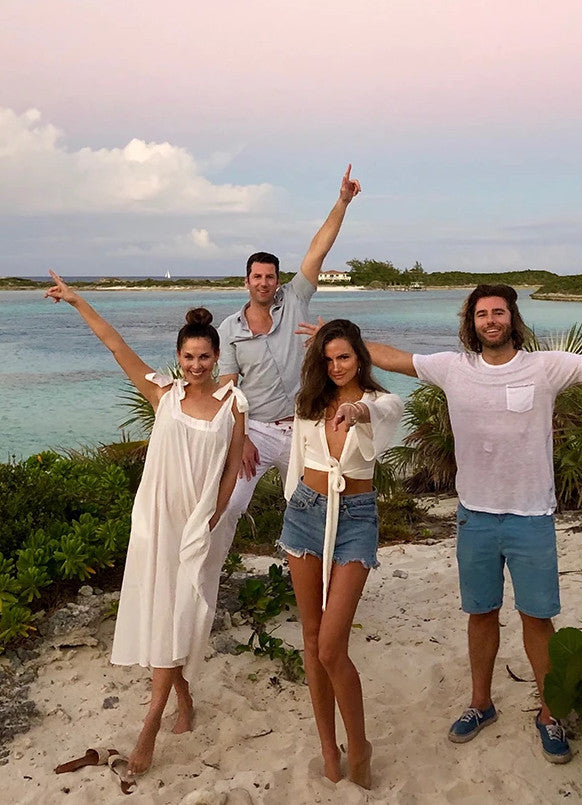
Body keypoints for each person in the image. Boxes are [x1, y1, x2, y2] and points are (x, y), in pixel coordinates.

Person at [351, 284, 582, 763]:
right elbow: (393, 358)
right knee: (481, 613)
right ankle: (480, 704)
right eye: (482, 313)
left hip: (531, 515)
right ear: (471, 323)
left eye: (499, 312)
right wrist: (339, 338)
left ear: (512, 319)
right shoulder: (452, 368)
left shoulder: (544, 367)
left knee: (537, 618)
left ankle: (549, 714)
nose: (491, 320)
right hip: (475, 516)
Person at [45, 271, 246, 777]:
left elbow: (232, 468)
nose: (196, 365)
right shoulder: (164, 395)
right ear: (177, 358)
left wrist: (215, 516)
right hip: (157, 522)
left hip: (198, 525)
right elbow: (114, 344)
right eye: (188, 357)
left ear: (216, 358)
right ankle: (180, 699)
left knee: (182, 613)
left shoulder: (233, 404)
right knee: (164, 613)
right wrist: (77, 301)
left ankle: (149, 726)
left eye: (205, 357)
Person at [278, 319, 402, 789]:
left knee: (332, 645)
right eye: (328, 359)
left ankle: (360, 743)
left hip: (354, 518)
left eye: (344, 357)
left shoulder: (376, 401)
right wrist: (292, 508)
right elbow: (295, 462)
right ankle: (328, 748)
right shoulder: (306, 403)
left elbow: (390, 408)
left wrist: (357, 412)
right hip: (305, 512)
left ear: (360, 358)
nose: (335, 367)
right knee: (311, 638)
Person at [217, 165, 361, 527]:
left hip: (303, 425)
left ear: (278, 280)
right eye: (257, 277)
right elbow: (227, 393)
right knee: (229, 506)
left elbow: (318, 248)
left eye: (269, 277)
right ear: (246, 281)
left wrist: (342, 201)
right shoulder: (229, 329)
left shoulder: (296, 298)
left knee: (311, 510)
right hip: (258, 431)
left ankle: (308, 578)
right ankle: (205, 578)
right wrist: (241, 439)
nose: (263, 283)